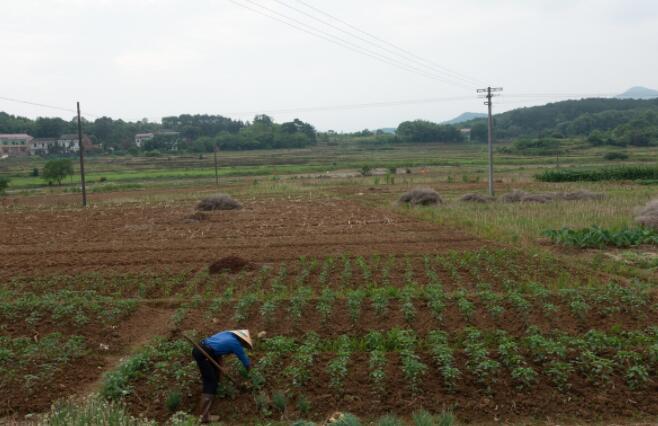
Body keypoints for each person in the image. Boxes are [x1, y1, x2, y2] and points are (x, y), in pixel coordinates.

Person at [192, 329, 253, 424]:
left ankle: (214, 392)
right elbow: (246, 362)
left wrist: (221, 368)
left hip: (201, 349)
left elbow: (216, 351)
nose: (243, 346)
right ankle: (204, 416)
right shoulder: (235, 343)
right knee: (210, 382)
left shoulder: (227, 334)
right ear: (242, 340)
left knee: (215, 375)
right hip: (203, 353)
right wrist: (252, 375)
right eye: (244, 344)